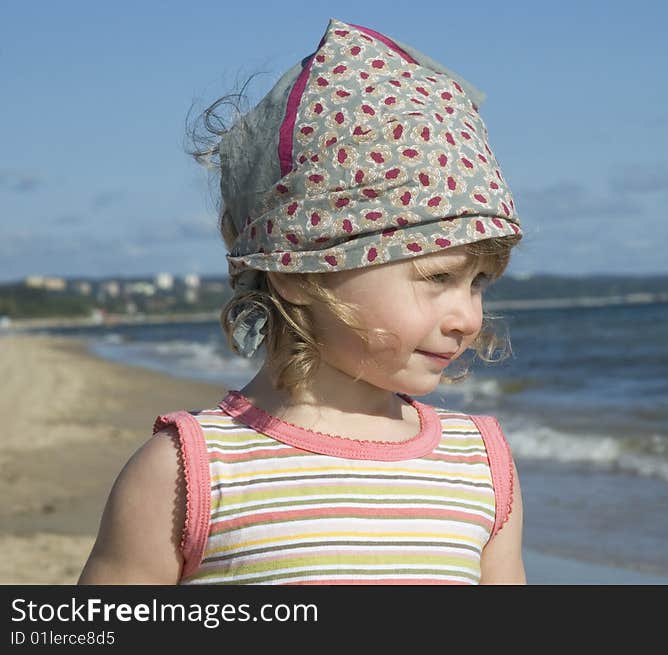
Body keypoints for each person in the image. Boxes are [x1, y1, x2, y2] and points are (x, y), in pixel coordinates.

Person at [78, 17, 526, 585]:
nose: (468, 317)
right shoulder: (190, 474)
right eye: (438, 276)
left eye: (479, 282)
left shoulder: (479, 467)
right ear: (298, 272)